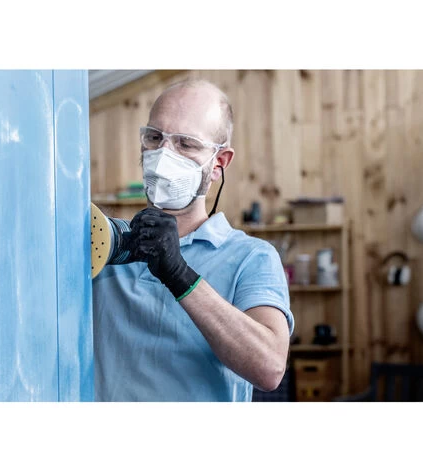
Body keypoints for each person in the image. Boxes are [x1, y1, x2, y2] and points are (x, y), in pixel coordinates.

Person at [93, 78, 294, 401]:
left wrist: (178, 274)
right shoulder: (107, 244)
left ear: (218, 163)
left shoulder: (251, 257)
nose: (163, 155)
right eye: (154, 137)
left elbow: (269, 368)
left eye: (186, 144)